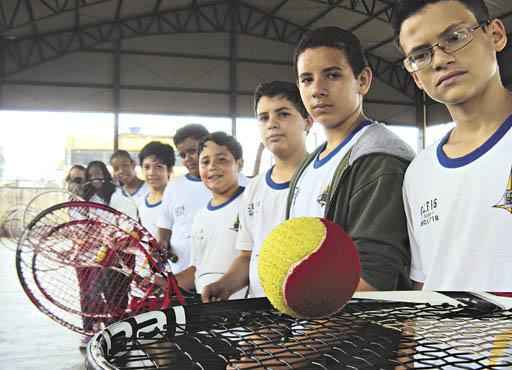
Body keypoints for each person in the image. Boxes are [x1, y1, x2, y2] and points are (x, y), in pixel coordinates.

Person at [393, 0, 512, 290]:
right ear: (416, 78)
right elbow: (424, 283)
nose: (439, 60)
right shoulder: (418, 172)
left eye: (454, 38)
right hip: (441, 337)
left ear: (495, 34)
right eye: (420, 55)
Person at [288, 26, 414, 291]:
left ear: (363, 80)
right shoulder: (307, 166)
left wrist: (307, 334)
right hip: (310, 321)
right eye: (306, 79)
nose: (317, 90)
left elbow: (373, 277)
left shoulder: (380, 158)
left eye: (332, 75)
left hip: (350, 330)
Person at [202, 81, 311, 302]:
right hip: (261, 316)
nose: (272, 124)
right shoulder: (254, 189)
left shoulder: (322, 179)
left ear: (308, 121)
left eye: (283, 114)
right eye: (263, 118)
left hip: (311, 313)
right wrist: (224, 285)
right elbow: (247, 256)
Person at [175, 132, 246, 298]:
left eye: (221, 159)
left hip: (248, 311)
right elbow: (197, 270)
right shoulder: (200, 216)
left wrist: (225, 286)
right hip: (210, 311)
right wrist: (167, 282)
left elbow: (252, 259)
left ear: (239, 164)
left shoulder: (251, 203)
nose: (212, 167)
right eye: (205, 162)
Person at [156, 124, 211, 275]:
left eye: (193, 151)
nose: (188, 159)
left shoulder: (227, 182)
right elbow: (165, 223)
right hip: (179, 271)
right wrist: (163, 243)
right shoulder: (174, 186)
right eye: (183, 155)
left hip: (215, 273)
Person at [136, 141, 175, 238]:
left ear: (169, 170)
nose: (151, 172)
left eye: (158, 167)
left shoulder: (176, 200)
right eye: (147, 167)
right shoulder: (140, 202)